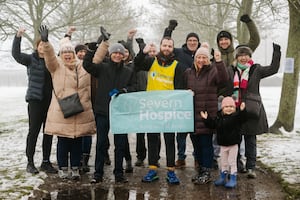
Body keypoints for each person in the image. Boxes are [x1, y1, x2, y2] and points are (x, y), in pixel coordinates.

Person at [38, 25, 96, 180]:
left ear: (74, 54)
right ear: (61, 55)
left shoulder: (82, 66)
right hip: (63, 111)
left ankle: (75, 167)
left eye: (70, 52)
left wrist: (103, 43)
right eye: (64, 52)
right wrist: (45, 42)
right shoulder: (56, 67)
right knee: (63, 142)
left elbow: (95, 60)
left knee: (77, 142)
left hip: (80, 111)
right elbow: (49, 57)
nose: (67, 55)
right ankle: (63, 168)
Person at [83, 27, 135, 184]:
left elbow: (134, 86)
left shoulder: (127, 71)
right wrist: (92, 49)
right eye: (115, 52)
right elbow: (88, 66)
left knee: (119, 144)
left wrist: (124, 90)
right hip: (103, 111)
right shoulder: (102, 67)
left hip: (120, 113)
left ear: (124, 55)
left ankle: (119, 173)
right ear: (111, 54)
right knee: (101, 143)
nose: (118, 55)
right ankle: (98, 173)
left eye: (120, 53)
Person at [134, 36, 186, 185]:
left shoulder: (178, 66)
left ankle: (171, 171)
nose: (167, 48)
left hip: (169, 110)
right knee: (152, 139)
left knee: (170, 140)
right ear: (160, 46)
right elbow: (136, 65)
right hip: (152, 108)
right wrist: (142, 52)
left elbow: (181, 87)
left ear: (173, 48)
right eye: (164, 45)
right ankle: (152, 170)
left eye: (170, 46)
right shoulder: (151, 61)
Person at [226, 43, 281, 179]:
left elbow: (273, 69)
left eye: (246, 55)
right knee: (235, 139)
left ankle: (251, 167)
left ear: (250, 56)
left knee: (250, 140)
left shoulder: (256, 69)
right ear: (236, 57)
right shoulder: (231, 70)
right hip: (235, 109)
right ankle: (238, 166)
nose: (243, 58)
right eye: (240, 55)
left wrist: (276, 53)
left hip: (251, 109)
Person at [216, 14, 261, 171]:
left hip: (238, 98)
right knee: (223, 130)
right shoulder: (215, 56)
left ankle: (239, 161)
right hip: (223, 97)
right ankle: (225, 161)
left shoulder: (240, 52)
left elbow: (255, 40)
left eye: (226, 39)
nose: (223, 42)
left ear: (230, 40)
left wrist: (249, 22)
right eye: (221, 40)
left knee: (239, 131)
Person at [11, 27, 57, 174]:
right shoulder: (30, 59)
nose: (43, 48)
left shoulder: (52, 61)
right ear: (36, 47)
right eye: (40, 45)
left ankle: (46, 161)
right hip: (35, 101)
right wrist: (18, 36)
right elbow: (16, 55)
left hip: (50, 101)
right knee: (34, 131)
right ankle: (30, 163)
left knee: (48, 132)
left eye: (45, 45)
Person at [183, 43, 228, 185]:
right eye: (199, 57)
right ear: (195, 58)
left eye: (204, 57)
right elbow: (182, 90)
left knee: (206, 145)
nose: (201, 60)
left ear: (208, 59)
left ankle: (207, 172)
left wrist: (219, 61)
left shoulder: (213, 71)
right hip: (191, 116)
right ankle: (201, 171)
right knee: (196, 146)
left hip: (206, 116)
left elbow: (224, 80)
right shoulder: (188, 73)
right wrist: (186, 93)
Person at [163, 19, 201, 168]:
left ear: (198, 42)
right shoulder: (179, 52)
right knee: (181, 131)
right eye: (190, 40)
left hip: (197, 97)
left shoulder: (202, 54)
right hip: (180, 96)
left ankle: (197, 157)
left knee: (195, 131)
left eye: (195, 40)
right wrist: (169, 29)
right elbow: (166, 44)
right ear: (186, 42)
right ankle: (181, 157)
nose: (192, 42)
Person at [200, 97, 247, 188]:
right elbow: (212, 125)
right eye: (226, 107)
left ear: (234, 108)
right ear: (222, 108)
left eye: (231, 107)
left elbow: (243, 118)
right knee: (223, 162)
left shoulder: (236, 117)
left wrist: (242, 111)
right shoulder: (219, 118)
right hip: (223, 144)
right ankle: (223, 177)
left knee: (232, 162)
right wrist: (206, 119)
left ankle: (233, 178)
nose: (229, 108)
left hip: (233, 144)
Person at [133, 38, 161, 167]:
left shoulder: (161, 66)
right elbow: (137, 62)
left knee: (155, 132)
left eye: (155, 51)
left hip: (155, 103)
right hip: (141, 102)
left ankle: (155, 157)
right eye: (150, 51)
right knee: (140, 132)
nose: (152, 53)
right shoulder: (141, 66)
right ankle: (140, 156)